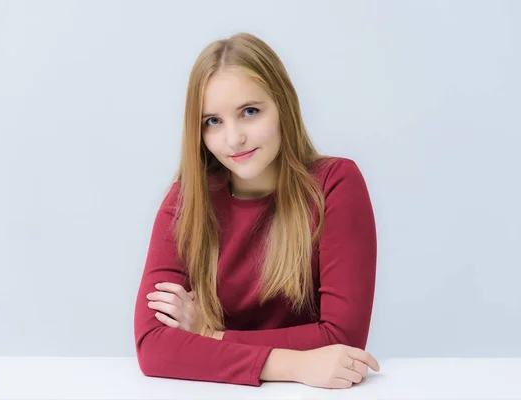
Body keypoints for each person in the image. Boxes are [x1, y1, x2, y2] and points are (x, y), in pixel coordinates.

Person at [133, 32, 380, 389]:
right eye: (213, 122)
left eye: (250, 112)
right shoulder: (186, 201)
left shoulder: (335, 184)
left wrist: (210, 335)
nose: (234, 139)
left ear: (283, 107)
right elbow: (153, 348)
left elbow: (343, 339)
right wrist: (295, 365)